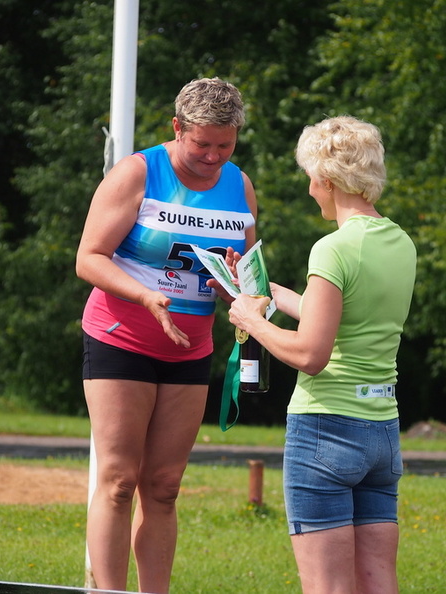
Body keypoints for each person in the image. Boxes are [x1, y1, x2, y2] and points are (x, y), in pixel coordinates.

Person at [76, 77, 257, 593]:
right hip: (121, 336)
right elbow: (88, 257)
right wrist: (144, 295)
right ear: (177, 129)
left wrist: (241, 289)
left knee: (164, 486)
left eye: (226, 145)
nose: (213, 156)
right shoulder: (137, 172)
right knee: (117, 480)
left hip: (191, 347)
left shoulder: (238, 185)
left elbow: (239, 273)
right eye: (202, 144)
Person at [229, 115, 416, 594]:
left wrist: (251, 321)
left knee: (328, 587)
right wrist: (261, 289)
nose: (310, 188)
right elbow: (335, 313)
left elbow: (312, 353)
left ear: (327, 180)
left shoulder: (332, 249)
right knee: (378, 582)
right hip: (382, 429)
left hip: (326, 429)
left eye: (311, 177)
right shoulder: (400, 243)